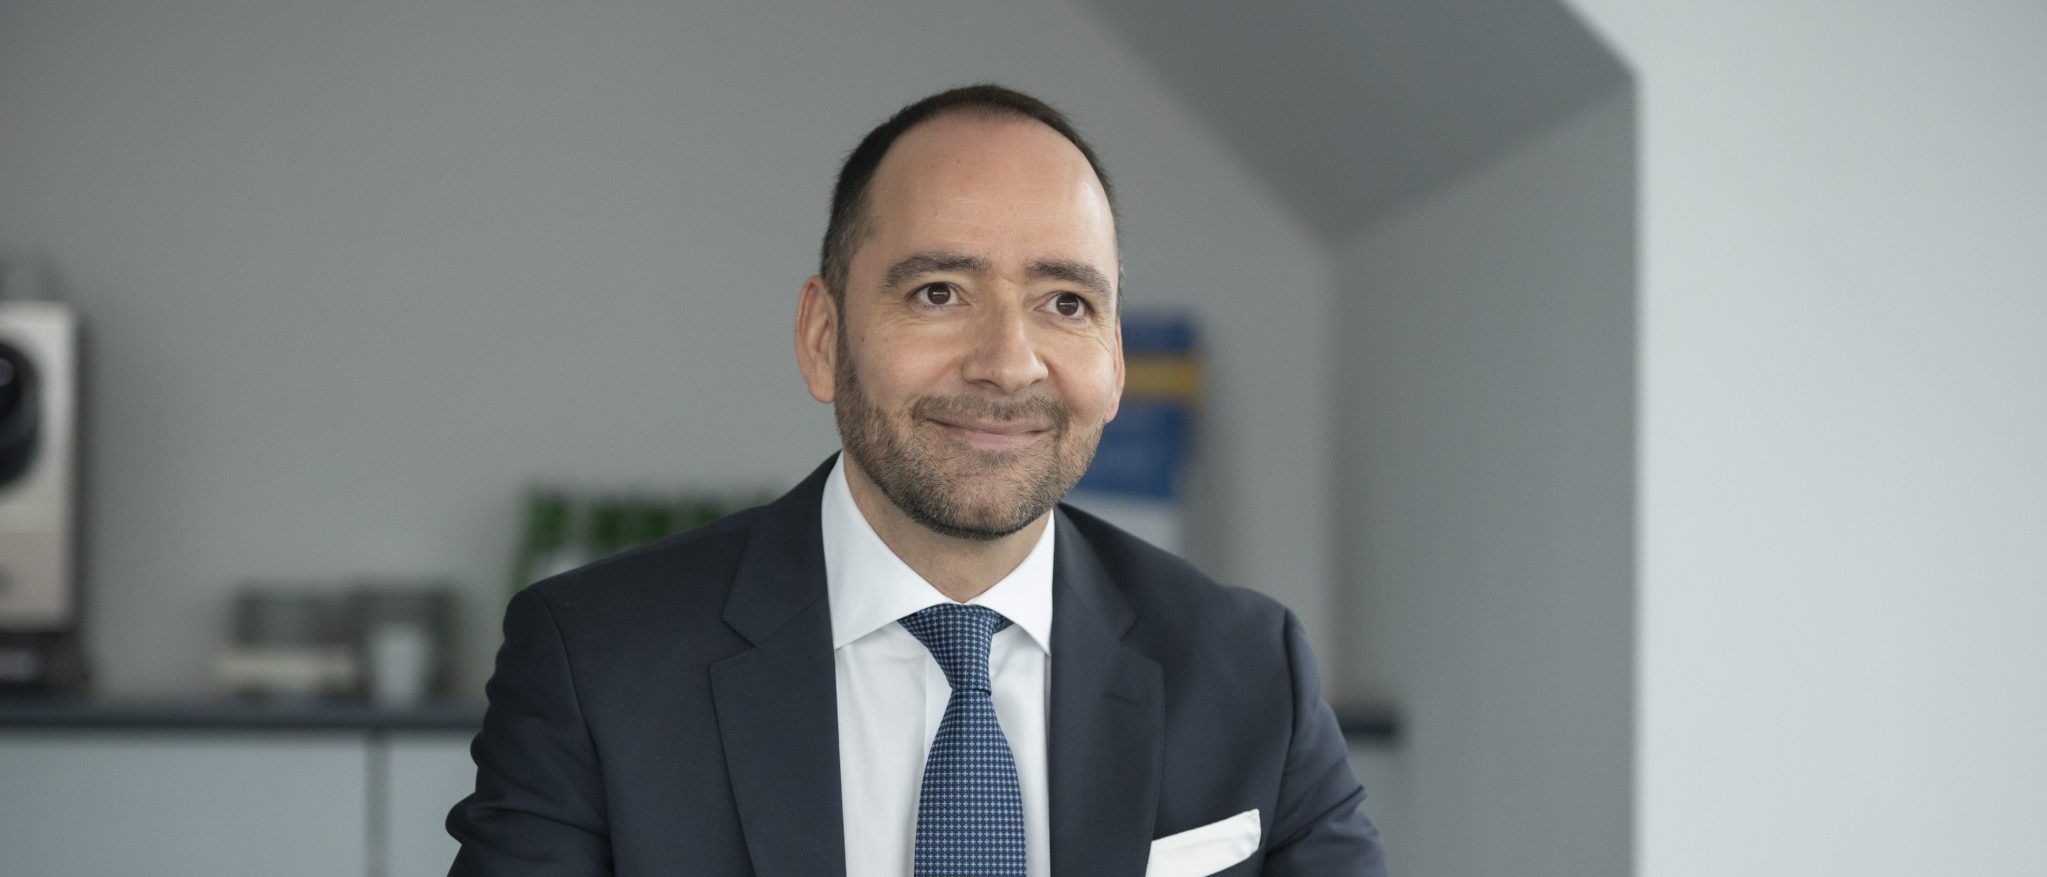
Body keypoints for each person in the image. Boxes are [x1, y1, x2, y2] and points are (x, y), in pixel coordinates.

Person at [446, 84, 1386, 876]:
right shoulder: (595, 662)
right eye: (939, 292)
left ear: (1112, 360)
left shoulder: (1251, 673)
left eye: (1065, 303)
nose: (1007, 364)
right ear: (823, 338)